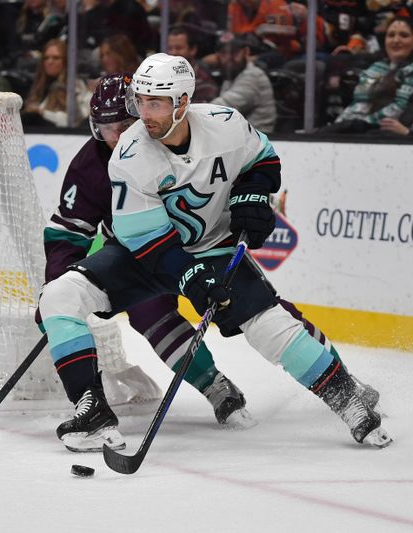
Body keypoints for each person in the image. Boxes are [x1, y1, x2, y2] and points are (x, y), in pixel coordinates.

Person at [38, 52, 390, 451]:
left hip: (212, 249)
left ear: (182, 102)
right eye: (140, 101)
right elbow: (149, 243)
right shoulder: (129, 156)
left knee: (269, 323)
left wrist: (253, 196)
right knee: (59, 294)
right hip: (143, 255)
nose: (142, 115)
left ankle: (347, 397)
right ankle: (93, 409)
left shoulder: (226, 124)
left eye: (153, 103)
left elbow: (263, 159)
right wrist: (189, 276)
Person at [43, 73, 254, 452]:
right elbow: (69, 230)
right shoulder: (90, 164)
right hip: (146, 256)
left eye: (124, 125)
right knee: (147, 311)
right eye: (105, 128)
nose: (115, 136)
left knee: (260, 313)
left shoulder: (175, 142)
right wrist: (57, 284)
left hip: (204, 247)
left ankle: (335, 380)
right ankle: (213, 384)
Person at [320, 16, 413, 134]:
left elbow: (398, 108)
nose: (396, 40)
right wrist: (340, 123)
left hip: (389, 134)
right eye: (391, 35)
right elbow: (359, 103)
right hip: (363, 128)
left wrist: (363, 124)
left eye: (404, 35)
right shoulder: (375, 68)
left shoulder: (410, 70)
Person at [211, 32, 276, 133]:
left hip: (260, 141)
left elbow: (222, 108)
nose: (229, 58)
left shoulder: (253, 75)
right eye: (224, 53)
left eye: (234, 52)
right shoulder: (231, 75)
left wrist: (191, 112)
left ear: (246, 52)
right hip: (242, 140)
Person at [23, 38, 91, 127]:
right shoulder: (39, 86)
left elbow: (76, 121)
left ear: (65, 62)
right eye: (46, 58)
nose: (50, 62)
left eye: (56, 58)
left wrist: (42, 112)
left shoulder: (75, 85)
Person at [166, 25, 218, 103]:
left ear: (193, 50)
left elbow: (202, 112)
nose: (173, 53)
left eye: (179, 48)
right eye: (170, 48)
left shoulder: (203, 82)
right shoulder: (162, 75)